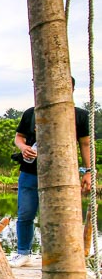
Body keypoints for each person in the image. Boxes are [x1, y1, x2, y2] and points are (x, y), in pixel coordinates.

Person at [10, 76, 94, 267]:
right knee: (25, 214)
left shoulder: (79, 116)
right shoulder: (31, 113)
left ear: (71, 90)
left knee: (62, 217)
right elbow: (19, 138)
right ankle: (23, 252)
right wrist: (24, 148)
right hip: (30, 172)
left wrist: (89, 171)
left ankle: (62, 256)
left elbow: (86, 144)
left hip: (63, 175)